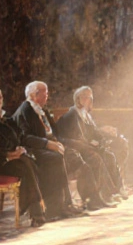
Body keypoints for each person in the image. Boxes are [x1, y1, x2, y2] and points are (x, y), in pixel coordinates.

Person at [0, 86, 46, 227]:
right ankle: (36, 211)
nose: (1, 100)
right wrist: (9, 154)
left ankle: (35, 211)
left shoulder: (3, 118)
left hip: (5, 159)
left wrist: (18, 149)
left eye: (1, 96)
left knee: (28, 162)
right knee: (26, 165)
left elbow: (17, 136)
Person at [12, 81, 87, 217]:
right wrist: (47, 144)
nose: (47, 96)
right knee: (56, 158)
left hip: (49, 146)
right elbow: (24, 138)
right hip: (34, 150)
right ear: (34, 94)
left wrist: (58, 143)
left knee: (73, 154)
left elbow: (55, 132)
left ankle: (68, 203)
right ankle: (55, 208)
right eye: (45, 93)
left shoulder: (42, 110)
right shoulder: (25, 110)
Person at [56, 86, 126, 197]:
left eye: (90, 98)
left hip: (87, 146)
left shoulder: (85, 114)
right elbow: (77, 138)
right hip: (75, 149)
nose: (90, 100)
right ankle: (103, 194)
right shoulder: (72, 115)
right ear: (79, 99)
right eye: (87, 98)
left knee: (109, 155)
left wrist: (101, 140)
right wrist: (93, 144)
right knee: (97, 157)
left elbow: (94, 132)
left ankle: (117, 189)